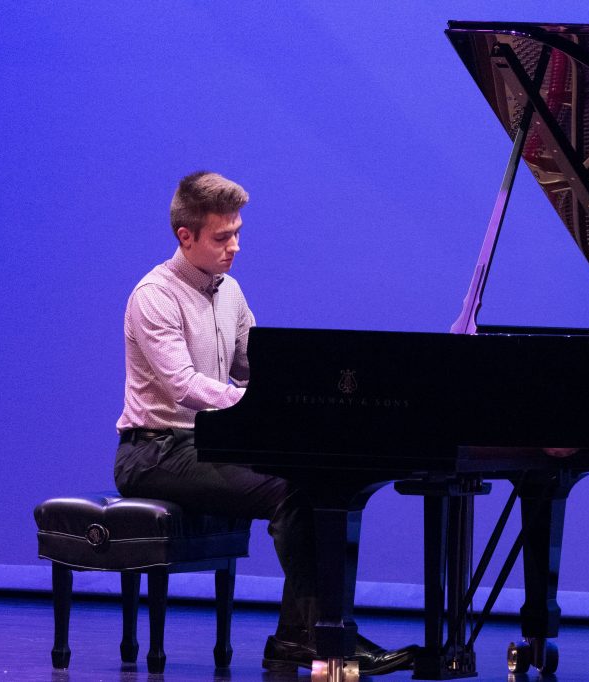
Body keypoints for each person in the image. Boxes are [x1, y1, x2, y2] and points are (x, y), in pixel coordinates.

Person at [113, 171, 414, 674]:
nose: (235, 246)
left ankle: (303, 635)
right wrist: (249, 400)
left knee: (318, 482)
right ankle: (321, 635)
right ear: (185, 237)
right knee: (288, 491)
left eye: (237, 232)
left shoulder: (229, 291)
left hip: (206, 443)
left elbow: (259, 364)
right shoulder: (154, 296)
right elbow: (182, 385)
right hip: (154, 451)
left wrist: (315, 386)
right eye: (221, 236)